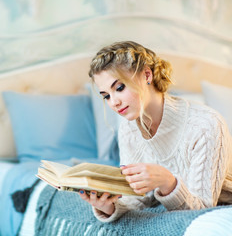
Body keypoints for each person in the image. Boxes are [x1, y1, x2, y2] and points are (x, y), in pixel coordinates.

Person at [79, 41, 232, 222]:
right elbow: (137, 199)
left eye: (119, 88)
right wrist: (109, 207)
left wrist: (168, 182)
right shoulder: (128, 127)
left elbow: (201, 210)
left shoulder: (205, 125)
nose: (114, 102)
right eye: (106, 96)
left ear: (146, 74)